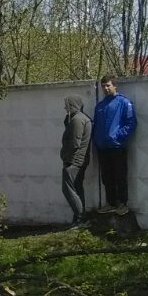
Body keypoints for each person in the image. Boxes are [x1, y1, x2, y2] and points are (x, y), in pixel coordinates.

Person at [92, 75, 137, 215]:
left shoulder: (124, 102)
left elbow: (131, 123)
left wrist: (118, 136)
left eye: (108, 85)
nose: (105, 88)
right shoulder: (99, 106)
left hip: (117, 146)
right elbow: (96, 125)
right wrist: (96, 139)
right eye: (103, 86)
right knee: (106, 177)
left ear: (115, 86)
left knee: (120, 176)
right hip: (102, 147)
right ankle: (110, 203)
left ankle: (122, 204)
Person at [60, 96, 92, 227]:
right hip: (80, 159)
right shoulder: (82, 118)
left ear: (72, 105)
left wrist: (65, 156)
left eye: (67, 105)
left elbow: (74, 143)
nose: (65, 108)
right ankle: (79, 218)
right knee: (77, 188)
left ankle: (80, 218)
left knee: (68, 189)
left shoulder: (77, 120)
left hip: (74, 160)